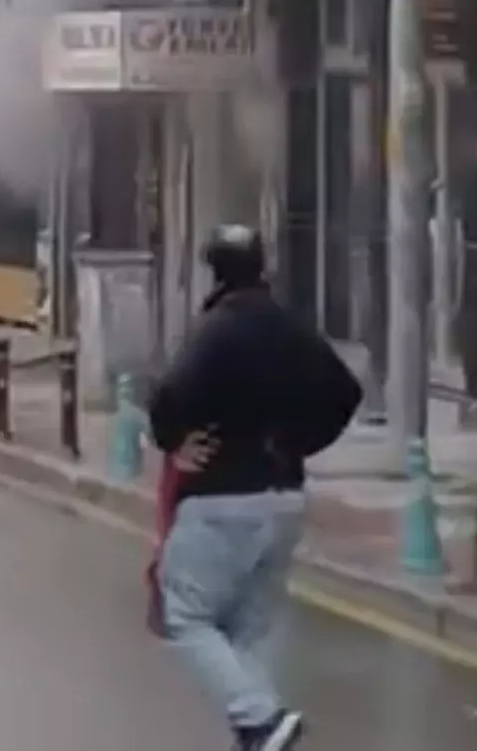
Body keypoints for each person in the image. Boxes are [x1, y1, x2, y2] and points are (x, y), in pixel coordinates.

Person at [149, 224, 362, 751]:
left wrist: (175, 442)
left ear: (214, 269)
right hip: (284, 500)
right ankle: (259, 738)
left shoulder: (217, 330)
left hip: (221, 496)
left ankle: (261, 720)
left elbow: (169, 399)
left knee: (188, 616)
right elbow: (347, 391)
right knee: (250, 630)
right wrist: (299, 444)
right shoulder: (292, 327)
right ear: (262, 265)